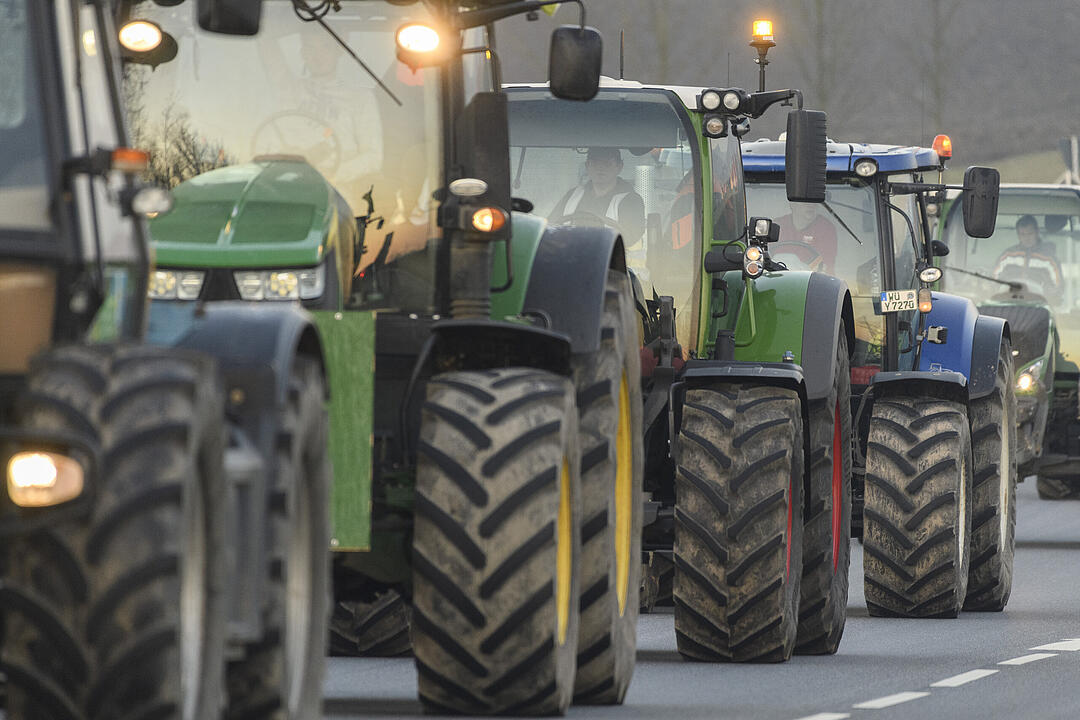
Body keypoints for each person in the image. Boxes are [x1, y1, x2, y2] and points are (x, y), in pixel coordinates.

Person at [549, 147, 646, 245]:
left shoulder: (631, 201)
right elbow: (550, 226)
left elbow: (630, 238)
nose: (600, 168)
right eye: (595, 163)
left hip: (613, 259)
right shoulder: (572, 195)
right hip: (568, 257)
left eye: (607, 164)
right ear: (587, 165)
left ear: (619, 167)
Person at [993, 214, 1063, 301]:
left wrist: (1045, 297)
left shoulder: (1049, 260)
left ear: (1037, 232)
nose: (1027, 238)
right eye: (1023, 234)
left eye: (1030, 233)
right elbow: (994, 281)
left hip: (1038, 307)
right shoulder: (1007, 256)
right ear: (1018, 235)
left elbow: (1057, 287)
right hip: (1008, 304)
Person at [773, 201, 839, 273]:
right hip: (776, 280)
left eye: (813, 201)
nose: (810, 205)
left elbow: (825, 267)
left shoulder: (826, 228)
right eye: (803, 201)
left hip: (810, 281)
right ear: (792, 205)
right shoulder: (777, 226)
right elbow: (763, 258)